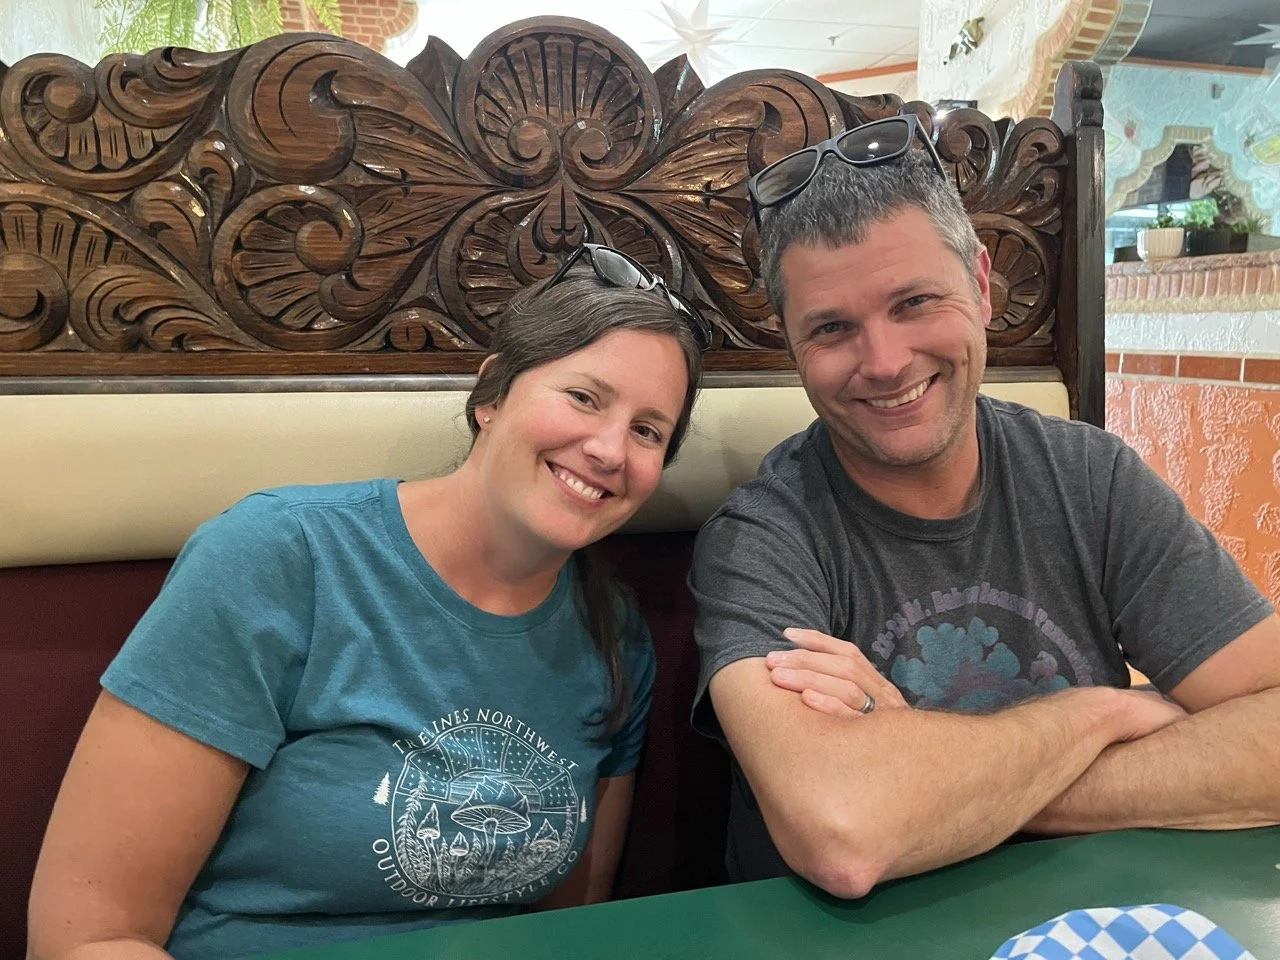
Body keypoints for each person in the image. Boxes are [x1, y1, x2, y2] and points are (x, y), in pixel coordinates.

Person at [27, 244, 707, 959]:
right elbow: (88, 938)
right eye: (584, 397)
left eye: (647, 431)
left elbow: (567, 932)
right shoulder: (279, 556)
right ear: (491, 396)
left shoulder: (615, 633)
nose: (609, 450)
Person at [690, 115, 1280, 898]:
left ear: (979, 284)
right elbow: (845, 831)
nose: (887, 361)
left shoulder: (1090, 478)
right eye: (832, 328)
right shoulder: (762, 539)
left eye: (913, 302)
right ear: (792, 345)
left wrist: (938, 786)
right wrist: (1098, 715)